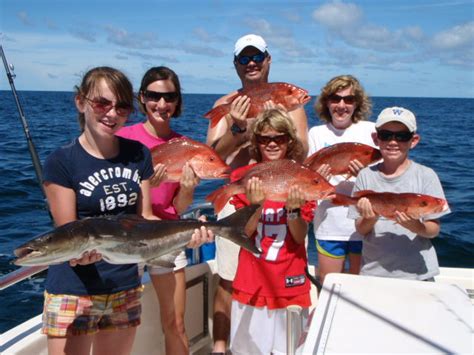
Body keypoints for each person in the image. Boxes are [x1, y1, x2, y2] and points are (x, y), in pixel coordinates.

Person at [41, 66, 210, 355]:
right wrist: (80, 254)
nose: (111, 113)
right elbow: (68, 232)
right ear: (80, 102)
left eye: (121, 106)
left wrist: (187, 233)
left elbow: (146, 218)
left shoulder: (138, 154)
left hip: (124, 284)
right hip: (75, 288)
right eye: (101, 103)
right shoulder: (62, 161)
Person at [206, 33, 309, 354]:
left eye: (256, 57)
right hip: (236, 198)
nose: (251, 64)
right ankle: (222, 347)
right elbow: (211, 159)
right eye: (243, 59)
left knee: (279, 268)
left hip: (282, 199)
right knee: (227, 277)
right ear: (235, 65)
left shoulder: (289, 99)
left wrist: (276, 122)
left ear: (268, 60)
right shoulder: (224, 105)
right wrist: (238, 128)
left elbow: (302, 153)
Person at [116, 66, 201, 355]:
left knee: (175, 323)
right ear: (142, 98)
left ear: (177, 102)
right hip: (127, 237)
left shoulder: (184, 146)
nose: (161, 104)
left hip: (167, 236)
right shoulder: (123, 138)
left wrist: (188, 188)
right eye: (154, 96)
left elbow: (178, 207)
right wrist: (144, 185)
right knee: (118, 326)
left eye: (169, 97)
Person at [228, 108, 314, 354]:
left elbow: (298, 237)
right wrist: (256, 205)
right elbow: (243, 234)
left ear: (290, 140)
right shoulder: (244, 178)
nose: (273, 143)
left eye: (280, 137)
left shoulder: (303, 178)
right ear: (256, 143)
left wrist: (294, 211)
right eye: (265, 138)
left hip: (290, 285)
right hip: (251, 284)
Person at [348, 107, 451, 280]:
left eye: (402, 136)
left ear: (414, 140)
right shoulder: (365, 175)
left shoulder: (426, 175)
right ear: (376, 138)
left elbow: (433, 230)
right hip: (374, 272)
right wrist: (370, 217)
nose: (393, 142)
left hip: (418, 273)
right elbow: (361, 229)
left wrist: (415, 226)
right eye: (386, 135)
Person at [307, 74, 375, 285]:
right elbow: (307, 179)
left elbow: (384, 178)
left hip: (364, 224)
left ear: (357, 103)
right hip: (329, 223)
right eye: (335, 99)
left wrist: (363, 175)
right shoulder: (316, 133)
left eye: (349, 99)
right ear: (327, 102)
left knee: (359, 289)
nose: (341, 105)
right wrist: (316, 179)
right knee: (328, 286)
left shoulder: (371, 131)